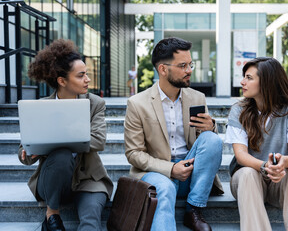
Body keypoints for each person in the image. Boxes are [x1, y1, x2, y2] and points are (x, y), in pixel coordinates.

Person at [124, 37, 223, 231]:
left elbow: (206, 144)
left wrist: (210, 127)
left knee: (212, 139)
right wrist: (171, 169)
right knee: (165, 188)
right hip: (156, 173)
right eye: (183, 66)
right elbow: (134, 153)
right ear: (163, 69)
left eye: (190, 64)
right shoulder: (137, 104)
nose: (189, 70)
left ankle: (193, 209)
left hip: (191, 175)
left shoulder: (197, 97)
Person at [18, 39, 113, 231]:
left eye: (86, 74)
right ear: (62, 81)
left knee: (91, 221)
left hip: (88, 179)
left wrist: (56, 137)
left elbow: (98, 141)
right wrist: (29, 153)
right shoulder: (41, 107)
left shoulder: (95, 103)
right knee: (60, 155)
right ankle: (52, 214)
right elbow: (25, 152)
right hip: (54, 181)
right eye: (81, 76)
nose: (87, 79)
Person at [225, 57, 288, 231]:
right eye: (244, 76)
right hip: (246, 183)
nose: (242, 82)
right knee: (248, 174)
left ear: (267, 82)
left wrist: (282, 163)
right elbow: (241, 155)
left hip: (279, 182)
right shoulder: (238, 111)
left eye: (249, 78)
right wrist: (265, 167)